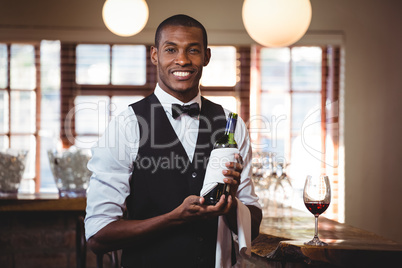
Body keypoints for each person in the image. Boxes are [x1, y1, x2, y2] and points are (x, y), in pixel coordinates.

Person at [85, 14, 262, 268]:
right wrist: (174, 218)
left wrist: (231, 204)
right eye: (171, 49)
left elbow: (252, 227)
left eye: (193, 50)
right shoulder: (126, 125)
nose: (182, 60)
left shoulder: (232, 125)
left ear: (207, 56)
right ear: (155, 55)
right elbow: (98, 236)